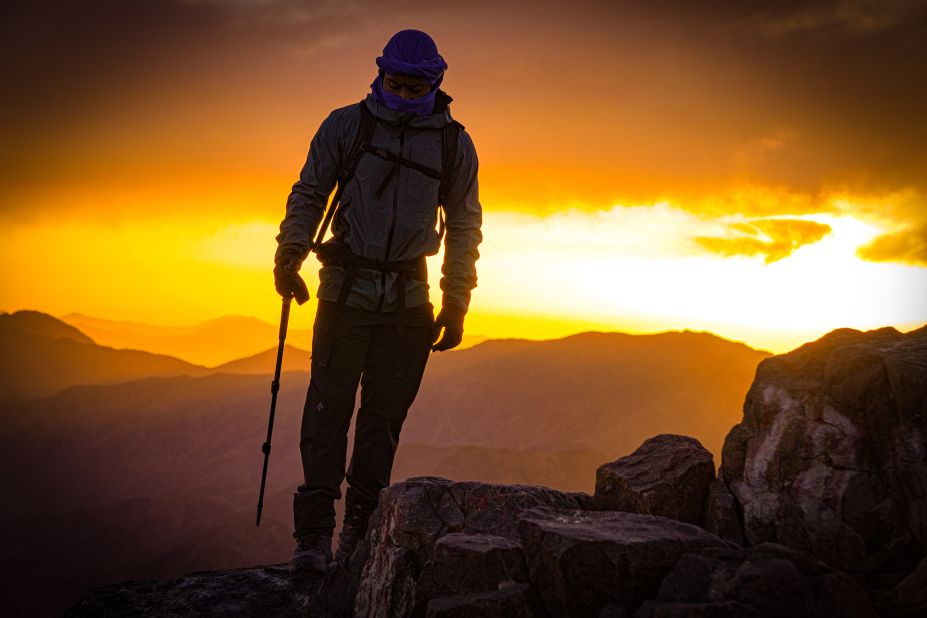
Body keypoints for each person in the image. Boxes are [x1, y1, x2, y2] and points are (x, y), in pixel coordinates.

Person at [273, 29, 482, 573]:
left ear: (436, 84)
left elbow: (464, 226)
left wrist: (455, 300)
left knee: (382, 421)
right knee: (327, 410)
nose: (405, 96)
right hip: (345, 291)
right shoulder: (347, 125)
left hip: (410, 302)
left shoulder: (452, 143)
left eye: (416, 89)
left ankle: (359, 536)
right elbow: (309, 190)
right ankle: (313, 538)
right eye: (395, 85)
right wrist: (290, 254)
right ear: (379, 75)